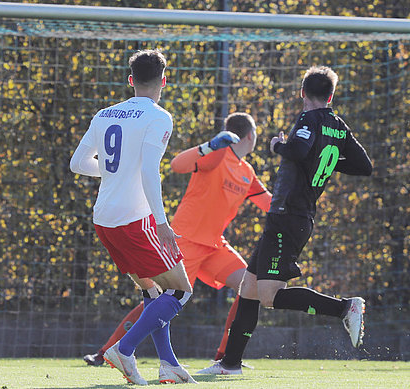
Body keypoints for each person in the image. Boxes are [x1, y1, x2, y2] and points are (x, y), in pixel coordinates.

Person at [197, 65, 373, 375]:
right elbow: (364, 165)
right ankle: (230, 364)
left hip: (289, 215)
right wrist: (326, 156)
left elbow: (298, 149)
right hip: (291, 216)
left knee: (269, 296)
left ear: (303, 93)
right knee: (248, 289)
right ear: (331, 95)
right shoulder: (338, 126)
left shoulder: (308, 118)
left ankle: (345, 307)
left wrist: (278, 145)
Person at [82, 112, 272, 366]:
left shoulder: (247, 171)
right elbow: (178, 165)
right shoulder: (216, 155)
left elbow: (270, 204)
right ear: (251, 136)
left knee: (250, 286)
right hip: (186, 241)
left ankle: (226, 357)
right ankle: (106, 352)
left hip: (215, 245)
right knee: (158, 297)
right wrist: (209, 146)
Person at [70, 49, 196, 385]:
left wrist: (114, 173)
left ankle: (168, 364)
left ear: (130, 81)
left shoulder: (104, 114)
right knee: (181, 292)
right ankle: (123, 350)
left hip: (104, 220)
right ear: (164, 81)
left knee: (154, 293)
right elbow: (149, 171)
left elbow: (78, 164)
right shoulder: (159, 117)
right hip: (135, 219)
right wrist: (162, 222)